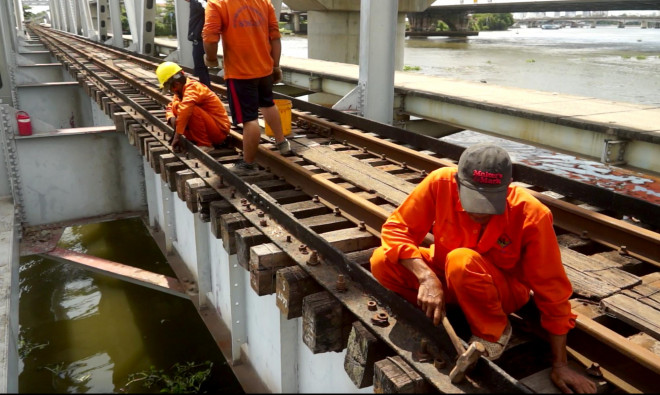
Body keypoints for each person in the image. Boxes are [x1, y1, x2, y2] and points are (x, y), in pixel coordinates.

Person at [370, 143, 597, 394]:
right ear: (457, 181)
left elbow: (552, 291)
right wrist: (426, 278)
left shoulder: (532, 215)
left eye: (490, 201)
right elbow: (396, 230)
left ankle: (495, 331)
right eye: (474, 199)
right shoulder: (439, 183)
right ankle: (445, 306)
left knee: (461, 260)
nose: (480, 211)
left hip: (502, 293)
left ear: (508, 186)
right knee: (382, 262)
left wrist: (561, 364)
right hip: (450, 273)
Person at [201, 0, 292, 175]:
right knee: (267, 103)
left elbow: (210, 37)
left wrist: (211, 59)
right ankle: (281, 143)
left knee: (249, 118)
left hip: (240, 72)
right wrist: (276, 66)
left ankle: (248, 163)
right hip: (264, 67)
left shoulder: (217, 3)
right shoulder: (264, 2)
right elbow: (275, 36)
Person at [155, 61, 230, 153]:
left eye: (171, 89)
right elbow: (171, 106)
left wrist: (176, 137)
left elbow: (185, 110)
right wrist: (171, 118)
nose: (172, 92)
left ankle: (205, 144)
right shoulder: (182, 91)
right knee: (176, 106)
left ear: (176, 84)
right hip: (209, 129)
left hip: (219, 132)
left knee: (190, 110)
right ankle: (199, 140)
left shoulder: (193, 88)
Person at [185, 0, 211, 88]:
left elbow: (209, 9)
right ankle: (207, 89)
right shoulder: (198, 2)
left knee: (200, 67)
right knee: (202, 67)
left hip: (200, 40)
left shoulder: (198, 2)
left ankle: (206, 91)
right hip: (200, 38)